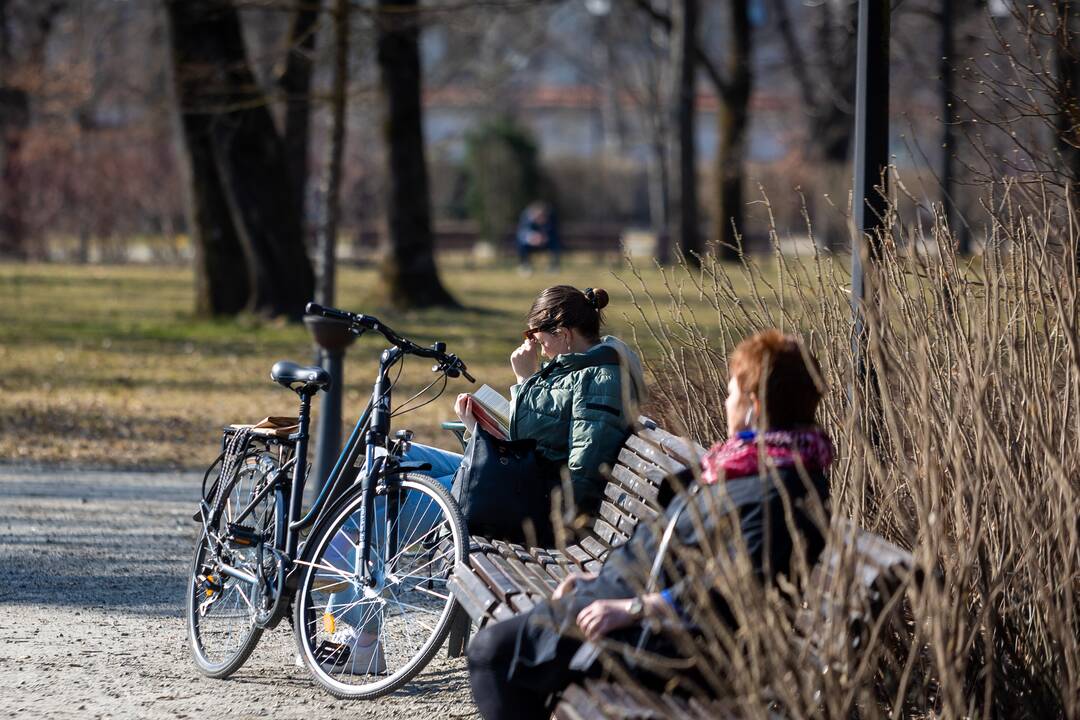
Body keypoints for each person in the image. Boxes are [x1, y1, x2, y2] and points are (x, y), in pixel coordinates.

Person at [465, 330, 835, 720]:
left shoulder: (779, 489)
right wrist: (600, 580)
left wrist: (636, 607)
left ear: (754, 407)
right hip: (633, 600)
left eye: (731, 395)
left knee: (493, 654)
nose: (727, 404)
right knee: (508, 655)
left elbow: (736, 584)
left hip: (673, 640)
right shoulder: (747, 465)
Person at [319, 285, 646, 674]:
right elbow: (544, 439)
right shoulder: (577, 366)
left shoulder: (600, 378)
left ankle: (356, 627)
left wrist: (525, 382)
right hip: (518, 479)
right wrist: (481, 427)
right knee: (390, 458)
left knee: (387, 496)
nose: (535, 347)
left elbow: (580, 470)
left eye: (536, 337)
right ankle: (339, 585)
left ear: (563, 332)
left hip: (531, 503)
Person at [516, 201, 561, 272]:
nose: (539, 218)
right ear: (533, 215)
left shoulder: (550, 220)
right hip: (530, 244)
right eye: (537, 216)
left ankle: (554, 266)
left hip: (546, 243)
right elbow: (522, 234)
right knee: (521, 244)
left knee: (555, 243)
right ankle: (525, 265)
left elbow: (553, 233)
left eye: (541, 216)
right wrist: (531, 238)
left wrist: (546, 238)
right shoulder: (527, 221)